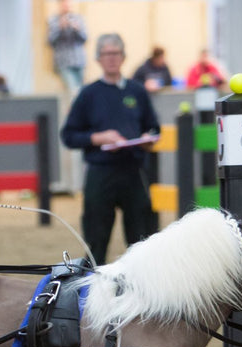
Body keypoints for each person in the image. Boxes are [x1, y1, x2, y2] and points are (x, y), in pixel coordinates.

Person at [60, 33, 159, 265]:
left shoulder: (137, 91)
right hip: (100, 172)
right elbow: (69, 135)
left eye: (116, 53)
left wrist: (147, 137)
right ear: (98, 59)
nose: (112, 58)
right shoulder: (88, 94)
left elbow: (153, 126)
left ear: (123, 57)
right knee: (96, 239)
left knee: (142, 239)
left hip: (133, 171)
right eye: (106, 54)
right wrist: (98, 137)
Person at [47, 0, 88, 93]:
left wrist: (77, 29)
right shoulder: (53, 20)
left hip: (79, 60)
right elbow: (50, 41)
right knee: (72, 90)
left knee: (82, 91)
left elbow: (85, 38)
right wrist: (60, 28)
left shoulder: (78, 19)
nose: (67, 5)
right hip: (63, 62)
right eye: (64, 2)